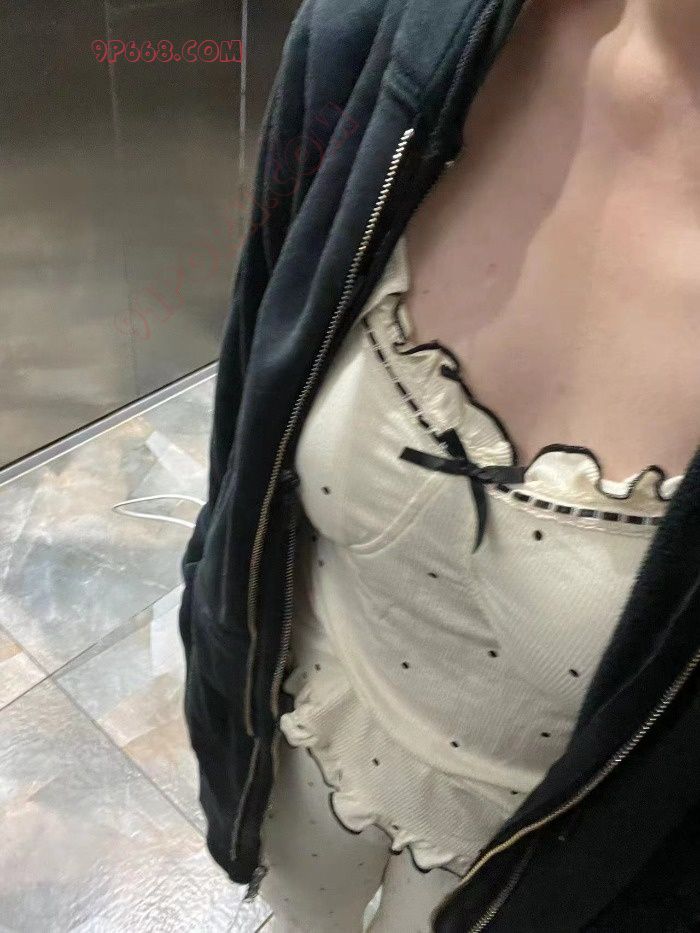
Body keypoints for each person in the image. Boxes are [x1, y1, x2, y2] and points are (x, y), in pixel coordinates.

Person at [178, 1, 700, 930]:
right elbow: (247, 429)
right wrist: (220, 664)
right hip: (295, 736)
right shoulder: (379, 31)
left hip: (544, 889)